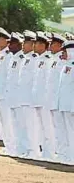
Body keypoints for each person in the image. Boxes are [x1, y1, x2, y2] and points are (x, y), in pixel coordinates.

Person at [44, 33, 69, 163]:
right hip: (53, 100)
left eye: (52, 44)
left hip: (62, 101)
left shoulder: (63, 61)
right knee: (57, 128)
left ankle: (67, 154)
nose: (50, 46)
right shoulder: (54, 60)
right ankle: (61, 153)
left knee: (65, 129)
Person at [31, 32, 55, 161]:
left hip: (45, 98)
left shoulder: (48, 60)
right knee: (40, 126)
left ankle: (50, 152)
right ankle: (43, 150)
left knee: (48, 126)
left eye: (38, 43)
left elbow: (48, 81)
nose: (35, 45)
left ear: (44, 45)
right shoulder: (37, 59)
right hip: (37, 97)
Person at [0, 27, 13, 155]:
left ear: (6, 41)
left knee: (8, 121)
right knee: (2, 121)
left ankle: (12, 146)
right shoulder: (0, 55)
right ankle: (7, 145)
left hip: (5, 94)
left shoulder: (9, 56)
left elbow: (8, 77)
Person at [5, 32, 25, 157]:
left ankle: (23, 149)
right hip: (12, 96)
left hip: (19, 98)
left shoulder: (22, 59)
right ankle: (17, 148)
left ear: (18, 45)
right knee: (14, 124)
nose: (9, 46)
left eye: (11, 44)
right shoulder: (13, 58)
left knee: (21, 125)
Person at [58, 40, 74, 165]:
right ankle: (67, 155)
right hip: (63, 104)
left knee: (71, 131)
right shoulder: (65, 66)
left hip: (71, 105)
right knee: (64, 131)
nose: (62, 54)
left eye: (64, 51)